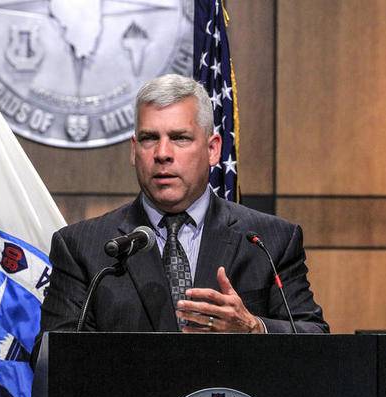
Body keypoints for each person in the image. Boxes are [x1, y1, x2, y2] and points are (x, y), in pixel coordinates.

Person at [38, 74, 328, 335]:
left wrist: (254, 328)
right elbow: (53, 361)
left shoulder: (269, 241)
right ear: (134, 150)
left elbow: (315, 337)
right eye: (150, 138)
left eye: (179, 138)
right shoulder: (82, 247)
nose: (162, 153)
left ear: (213, 149)